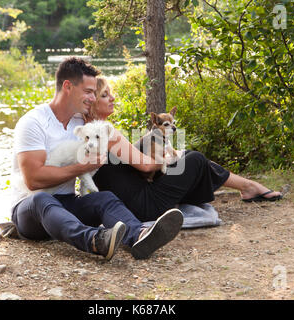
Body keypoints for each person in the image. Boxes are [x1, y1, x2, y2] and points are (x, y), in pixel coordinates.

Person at [11, 58, 184, 261]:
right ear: (67, 86)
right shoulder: (33, 123)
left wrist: (162, 154)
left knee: (105, 198)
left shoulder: (82, 123)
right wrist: (82, 167)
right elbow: (34, 180)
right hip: (30, 210)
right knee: (42, 199)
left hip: (67, 204)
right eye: (88, 92)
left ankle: (140, 235)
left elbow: (114, 138)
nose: (93, 98)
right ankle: (96, 239)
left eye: (95, 93)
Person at [85, 77, 283, 222]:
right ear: (92, 102)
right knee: (195, 159)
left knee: (186, 156)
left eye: (110, 93)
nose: (112, 98)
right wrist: (168, 160)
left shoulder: (87, 131)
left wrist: (172, 157)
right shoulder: (106, 132)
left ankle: (247, 186)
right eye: (105, 95)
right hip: (143, 206)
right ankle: (248, 187)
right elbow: (145, 167)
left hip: (130, 203)